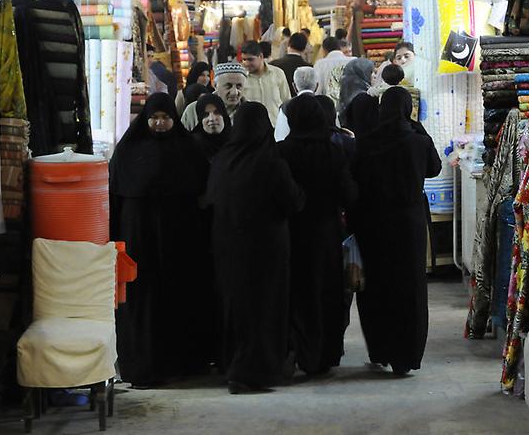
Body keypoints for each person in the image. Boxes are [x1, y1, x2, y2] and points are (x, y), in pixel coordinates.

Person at [110, 93, 211, 386]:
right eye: (154, 118)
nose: (160, 123)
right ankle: (144, 365)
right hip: (139, 239)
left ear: (173, 119)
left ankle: (180, 362)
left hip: (180, 241)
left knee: (178, 294)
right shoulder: (129, 150)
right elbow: (116, 196)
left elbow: (201, 194)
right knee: (143, 298)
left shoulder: (188, 149)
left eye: (165, 118)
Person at [205, 102, 306, 393]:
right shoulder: (271, 162)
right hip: (267, 249)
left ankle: (233, 365)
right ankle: (258, 371)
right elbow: (293, 201)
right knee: (265, 308)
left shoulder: (224, 158)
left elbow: (211, 199)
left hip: (227, 246)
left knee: (235, 306)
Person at [350, 87, 441, 375]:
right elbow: (434, 168)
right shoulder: (416, 141)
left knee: (378, 286)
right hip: (408, 223)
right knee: (409, 287)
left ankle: (381, 349)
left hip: (373, 223)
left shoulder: (365, 143)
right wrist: (417, 127)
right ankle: (407, 355)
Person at [278, 96, 357, 376]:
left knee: (300, 294)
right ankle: (328, 354)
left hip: (293, 233)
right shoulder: (334, 151)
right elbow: (348, 193)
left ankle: (305, 354)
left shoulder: (282, 152)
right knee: (329, 292)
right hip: (328, 232)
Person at [182, 62, 246, 131]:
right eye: (228, 86)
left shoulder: (251, 112)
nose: (234, 92)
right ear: (215, 85)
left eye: (239, 86)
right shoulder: (193, 110)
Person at [241, 40, 291, 125]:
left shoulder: (278, 73)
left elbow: (286, 102)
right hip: (251, 129)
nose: (246, 63)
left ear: (260, 56)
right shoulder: (241, 78)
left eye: (250, 59)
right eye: (244, 59)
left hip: (276, 128)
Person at [274, 66, 319, 142]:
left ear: (294, 86)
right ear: (317, 86)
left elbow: (280, 137)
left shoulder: (286, 107)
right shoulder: (326, 104)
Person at [270, 31, 311, 96]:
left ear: (288, 44)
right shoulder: (309, 68)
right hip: (302, 103)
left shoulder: (273, 65)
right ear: (305, 48)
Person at [192, 93, 231, 161]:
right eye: (205, 114)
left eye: (217, 112)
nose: (212, 118)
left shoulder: (236, 140)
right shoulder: (192, 145)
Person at [338, 58, 375, 125]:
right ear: (363, 73)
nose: (374, 76)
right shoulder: (363, 97)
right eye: (371, 72)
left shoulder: (346, 91)